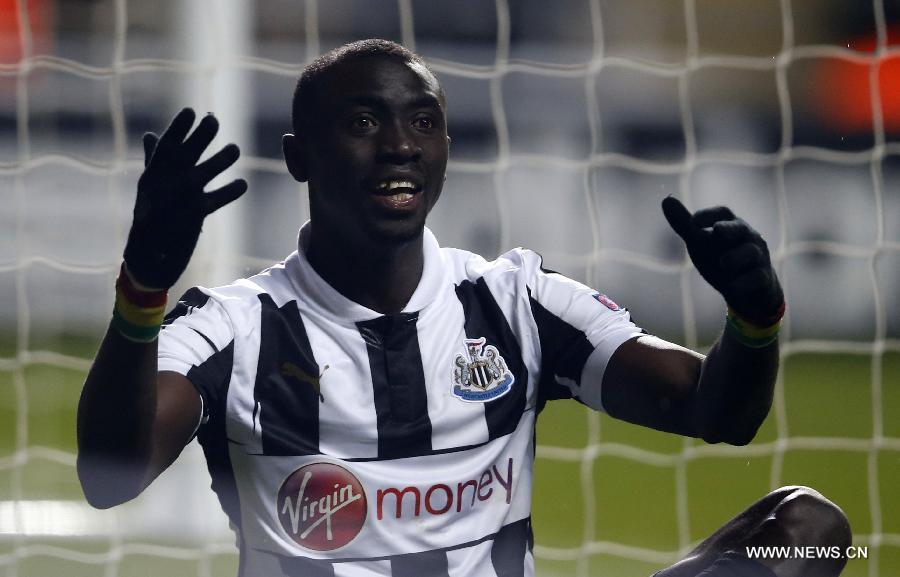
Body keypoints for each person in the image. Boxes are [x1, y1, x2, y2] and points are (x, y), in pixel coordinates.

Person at [77, 39, 851, 577]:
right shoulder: (234, 326)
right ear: (299, 157)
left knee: (808, 531)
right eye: (362, 122)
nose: (399, 144)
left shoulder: (516, 300)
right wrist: (144, 286)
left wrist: (755, 316)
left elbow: (720, 411)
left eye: (422, 121)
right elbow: (111, 475)